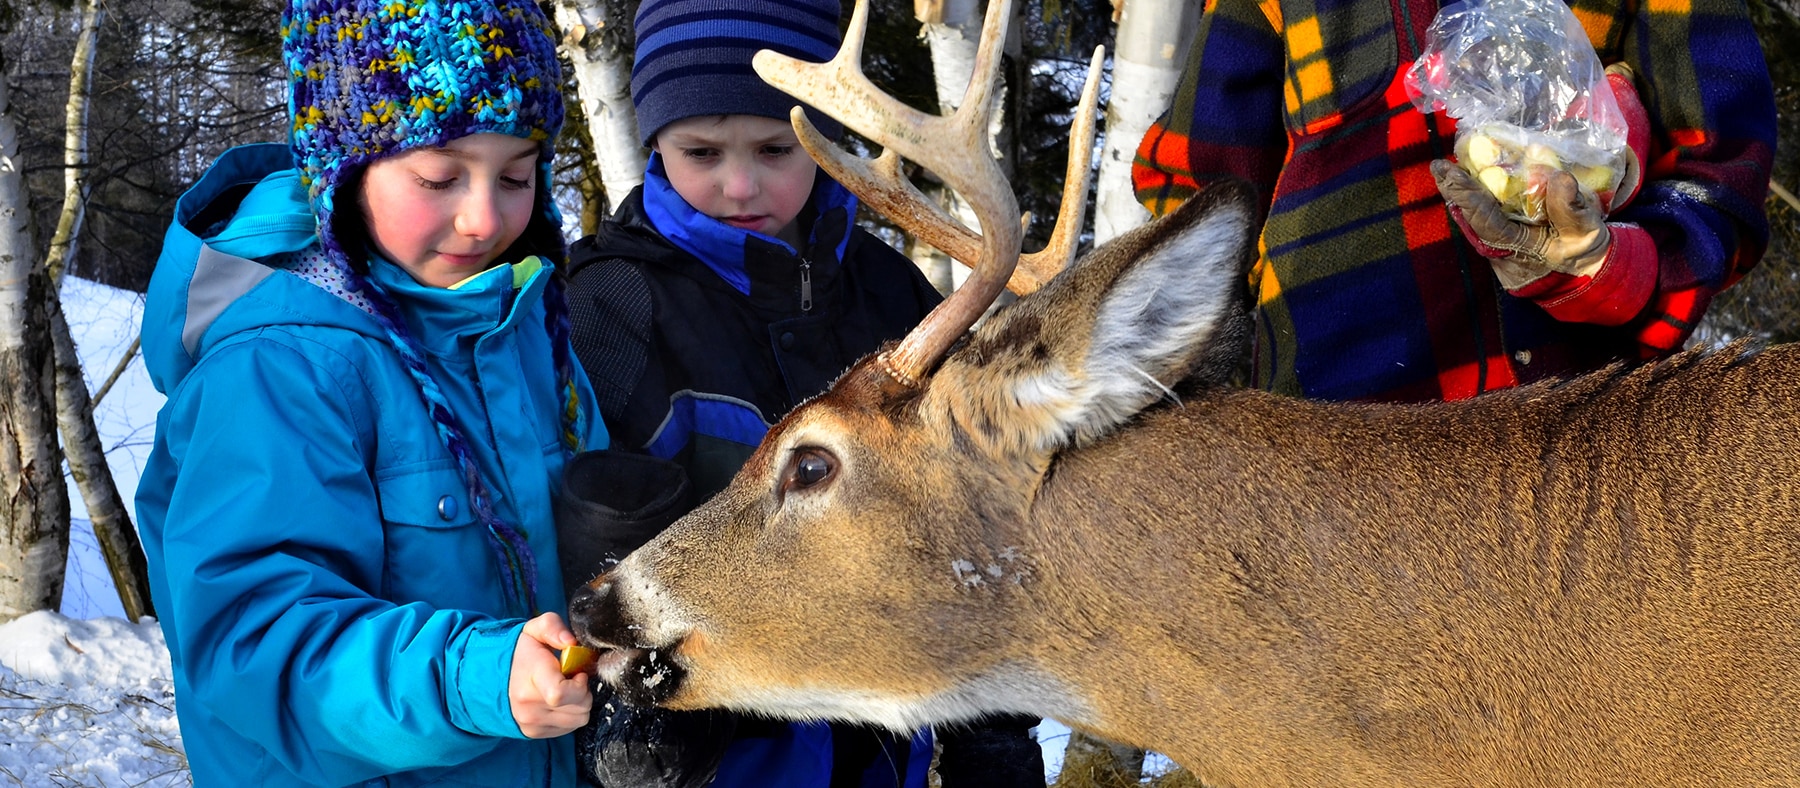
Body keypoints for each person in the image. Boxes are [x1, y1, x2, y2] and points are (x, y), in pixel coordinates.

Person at [556, 0, 1047, 786]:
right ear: (654, 141)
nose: (740, 183)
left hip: (888, 735)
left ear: (823, 139)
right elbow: (586, 536)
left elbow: (976, 515)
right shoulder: (610, 308)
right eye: (702, 151)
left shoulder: (896, 295)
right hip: (718, 747)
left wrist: (994, 725)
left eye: (777, 149)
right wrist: (634, 716)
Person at [134, 0, 608, 785]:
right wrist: (475, 680)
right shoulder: (282, 368)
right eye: (439, 175)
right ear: (344, 169)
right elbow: (254, 642)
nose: (485, 217)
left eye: (518, 174)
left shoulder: (524, 324)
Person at [1131, 0, 1776, 403]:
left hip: (1573, 467)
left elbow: (1720, 175)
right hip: (1328, 469)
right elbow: (1193, 189)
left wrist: (1603, 267)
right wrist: (1215, 385)